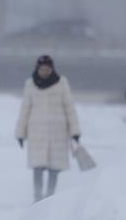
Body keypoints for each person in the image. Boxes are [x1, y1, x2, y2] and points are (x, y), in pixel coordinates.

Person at [15, 55, 81, 202]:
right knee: (37, 168)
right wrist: (20, 133)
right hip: (36, 132)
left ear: (51, 69)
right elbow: (25, 110)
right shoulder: (30, 85)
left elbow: (69, 108)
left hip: (57, 132)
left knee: (54, 169)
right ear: (37, 69)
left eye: (47, 69)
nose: (44, 72)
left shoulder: (61, 84)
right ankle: (37, 197)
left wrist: (75, 132)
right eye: (42, 69)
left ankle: (50, 198)